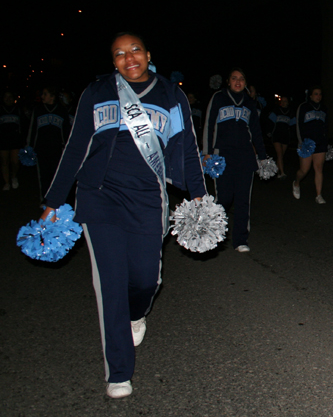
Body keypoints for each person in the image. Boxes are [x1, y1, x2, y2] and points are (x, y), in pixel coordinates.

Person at [40, 32, 207, 398]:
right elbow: (75, 148)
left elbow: (187, 151)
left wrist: (200, 199)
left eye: (134, 51)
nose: (128, 58)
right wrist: (52, 200)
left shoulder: (170, 94)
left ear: (148, 54)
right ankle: (118, 372)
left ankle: (137, 314)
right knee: (110, 285)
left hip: (149, 199)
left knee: (146, 280)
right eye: (119, 54)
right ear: (112, 62)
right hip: (99, 198)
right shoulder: (97, 91)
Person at [203, 68, 267, 252]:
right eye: (234, 78)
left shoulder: (249, 102)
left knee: (242, 199)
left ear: (245, 82)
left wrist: (262, 156)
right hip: (222, 156)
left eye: (241, 79)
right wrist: (207, 152)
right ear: (228, 81)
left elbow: (256, 131)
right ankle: (214, 233)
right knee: (223, 197)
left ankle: (240, 240)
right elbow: (208, 124)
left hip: (245, 157)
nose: (238, 81)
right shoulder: (218, 98)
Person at [28, 85, 71, 200]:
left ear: (52, 96)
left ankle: (56, 199)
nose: (42, 96)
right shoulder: (38, 109)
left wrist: (67, 148)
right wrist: (29, 146)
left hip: (57, 149)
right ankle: (45, 199)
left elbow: (66, 131)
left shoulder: (61, 111)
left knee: (56, 175)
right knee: (43, 176)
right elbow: (33, 129)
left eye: (45, 94)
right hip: (41, 149)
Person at [293, 86, 328, 204]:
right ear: (311, 96)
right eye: (316, 94)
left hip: (320, 143)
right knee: (304, 170)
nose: (318, 96)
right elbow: (299, 125)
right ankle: (296, 182)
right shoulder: (303, 107)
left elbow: (326, 127)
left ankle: (319, 195)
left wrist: (326, 141)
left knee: (318, 168)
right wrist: (301, 142)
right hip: (307, 142)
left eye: (320, 94)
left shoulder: (324, 108)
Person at [267, 95, 295, 179]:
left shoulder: (290, 112)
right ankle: (282, 173)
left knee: (281, 155)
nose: (283, 103)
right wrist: (268, 131)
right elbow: (270, 121)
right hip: (276, 135)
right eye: (282, 101)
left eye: (285, 101)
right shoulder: (276, 111)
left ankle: (275, 170)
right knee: (279, 154)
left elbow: (293, 125)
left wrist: (293, 135)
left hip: (285, 136)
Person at [1, 91, 24, 190]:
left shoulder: (18, 110)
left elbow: (23, 124)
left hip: (15, 140)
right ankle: (6, 183)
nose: (8, 99)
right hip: (3, 140)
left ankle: (14, 176)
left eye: (10, 96)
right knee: (4, 161)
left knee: (15, 161)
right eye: (6, 96)